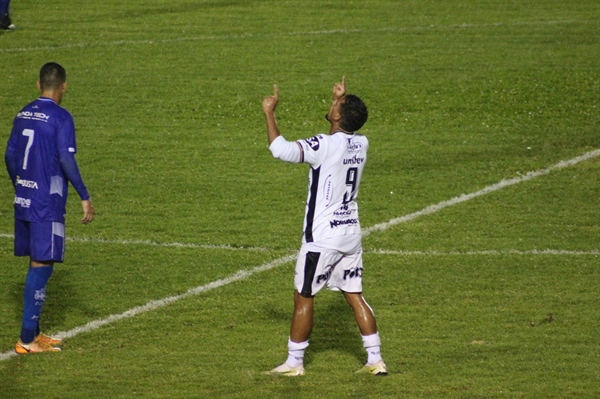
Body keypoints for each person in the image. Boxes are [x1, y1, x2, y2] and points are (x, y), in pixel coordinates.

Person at [262, 77, 387, 376]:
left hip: (323, 237)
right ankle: (375, 359)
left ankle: (294, 362)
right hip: (351, 233)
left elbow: (281, 150)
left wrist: (269, 112)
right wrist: (343, 100)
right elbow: (346, 129)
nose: (332, 105)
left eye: (335, 105)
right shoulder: (362, 142)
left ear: (337, 116)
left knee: (303, 297)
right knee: (354, 294)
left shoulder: (324, 144)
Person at [4, 62, 95, 354]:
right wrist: (84, 195)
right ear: (64, 86)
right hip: (47, 202)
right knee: (42, 265)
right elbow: (66, 161)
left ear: (38, 84)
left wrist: (20, 186)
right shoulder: (61, 117)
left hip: (25, 198)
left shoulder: (23, 113)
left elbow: (9, 155)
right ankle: (27, 340)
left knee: (37, 261)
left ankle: (35, 332)